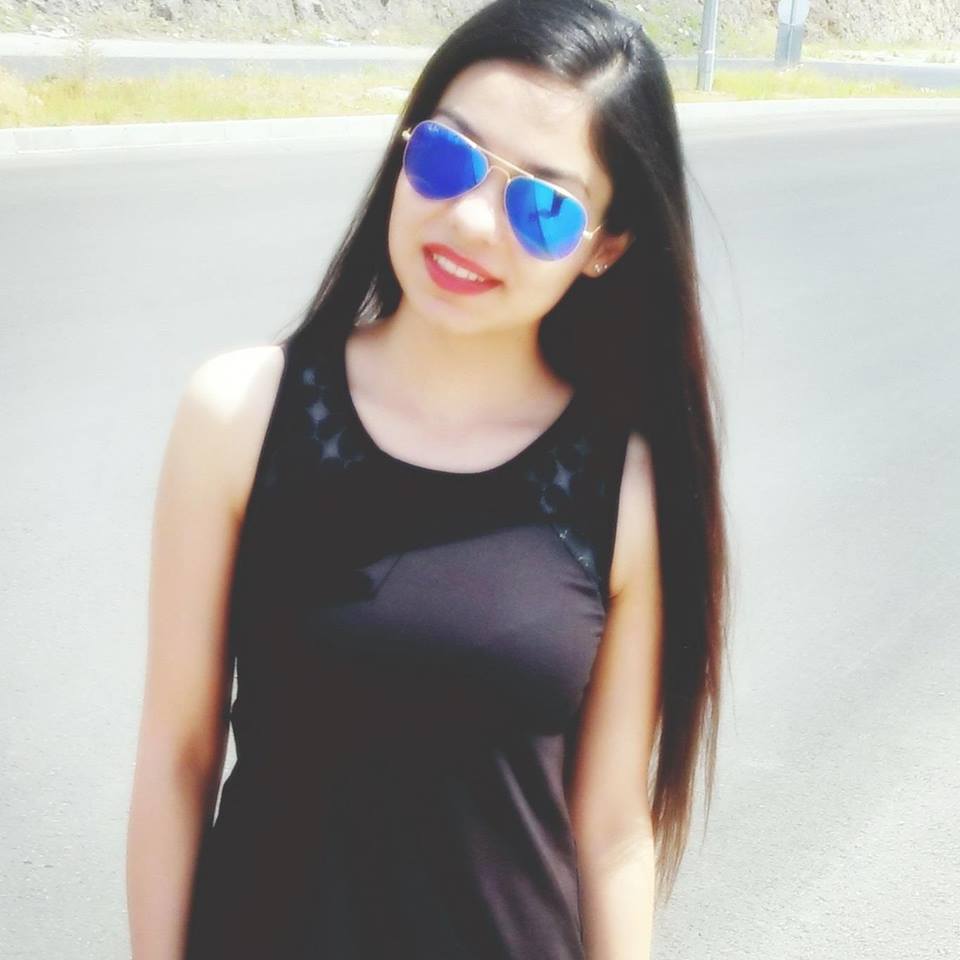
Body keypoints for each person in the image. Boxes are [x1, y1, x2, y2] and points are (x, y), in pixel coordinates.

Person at [126, 1, 729, 957]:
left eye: (543, 206)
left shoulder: (629, 489)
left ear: (606, 246)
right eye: (448, 158)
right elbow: (177, 757)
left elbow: (612, 829)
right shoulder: (239, 415)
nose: (473, 221)